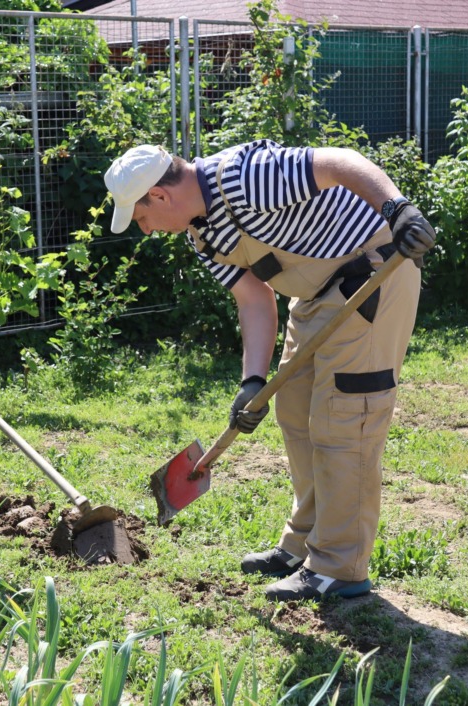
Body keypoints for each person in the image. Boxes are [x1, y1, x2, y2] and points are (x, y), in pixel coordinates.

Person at [104, 140, 435, 601]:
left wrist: (398, 210)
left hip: (372, 274)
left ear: (159, 196)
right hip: (315, 295)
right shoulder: (202, 235)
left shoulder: (242, 177)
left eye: (141, 218)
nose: (145, 229)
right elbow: (255, 299)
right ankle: (303, 543)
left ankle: (339, 565)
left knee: (344, 421)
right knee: (294, 413)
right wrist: (252, 382)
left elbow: (340, 162)